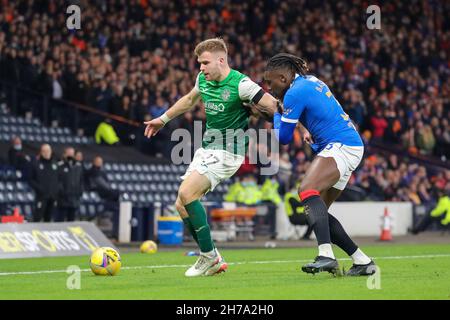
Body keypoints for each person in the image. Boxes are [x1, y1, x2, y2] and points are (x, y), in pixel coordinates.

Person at [144, 38, 278, 277]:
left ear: (221, 60)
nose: (201, 68)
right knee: (181, 205)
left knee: (187, 194)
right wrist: (162, 119)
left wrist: (299, 126)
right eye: (200, 63)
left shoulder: (242, 84)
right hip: (207, 148)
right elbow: (188, 100)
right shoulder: (202, 80)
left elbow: (273, 106)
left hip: (229, 151)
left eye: (205, 63)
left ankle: (208, 257)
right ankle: (212, 256)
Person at [264, 53, 375, 276]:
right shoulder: (309, 82)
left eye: (271, 81)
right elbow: (315, 111)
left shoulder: (294, 92)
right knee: (317, 212)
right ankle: (362, 261)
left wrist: (276, 113)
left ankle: (326, 255)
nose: (269, 87)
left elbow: (284, 138)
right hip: (347, 144)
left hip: (341, 144)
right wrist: (306, 129)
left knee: (306, 190)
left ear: (283, 78)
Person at [29, 144, 59, 222]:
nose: (46, 153)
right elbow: (30, 180)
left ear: (51, 152)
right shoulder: (36, 164)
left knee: (48, 219)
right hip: (41, 197)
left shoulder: (55, 164)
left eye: (48, 151)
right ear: (41, 152)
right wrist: (39, 189)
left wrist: (56, 190)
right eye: (44, 151)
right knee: (37, 218)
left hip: (52, 197)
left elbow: (59, 179)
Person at [56, 147, 84, 222]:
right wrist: (62, 192)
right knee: (60, 220)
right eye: (69, 153)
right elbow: (57, 181)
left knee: (71, 221)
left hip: (74, 199)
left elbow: (81, 181)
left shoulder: (78, 166)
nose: (70, 155)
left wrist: (80, 192)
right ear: (64, 154)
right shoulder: (60, 165)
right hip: (63, 199)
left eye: (72, 153)